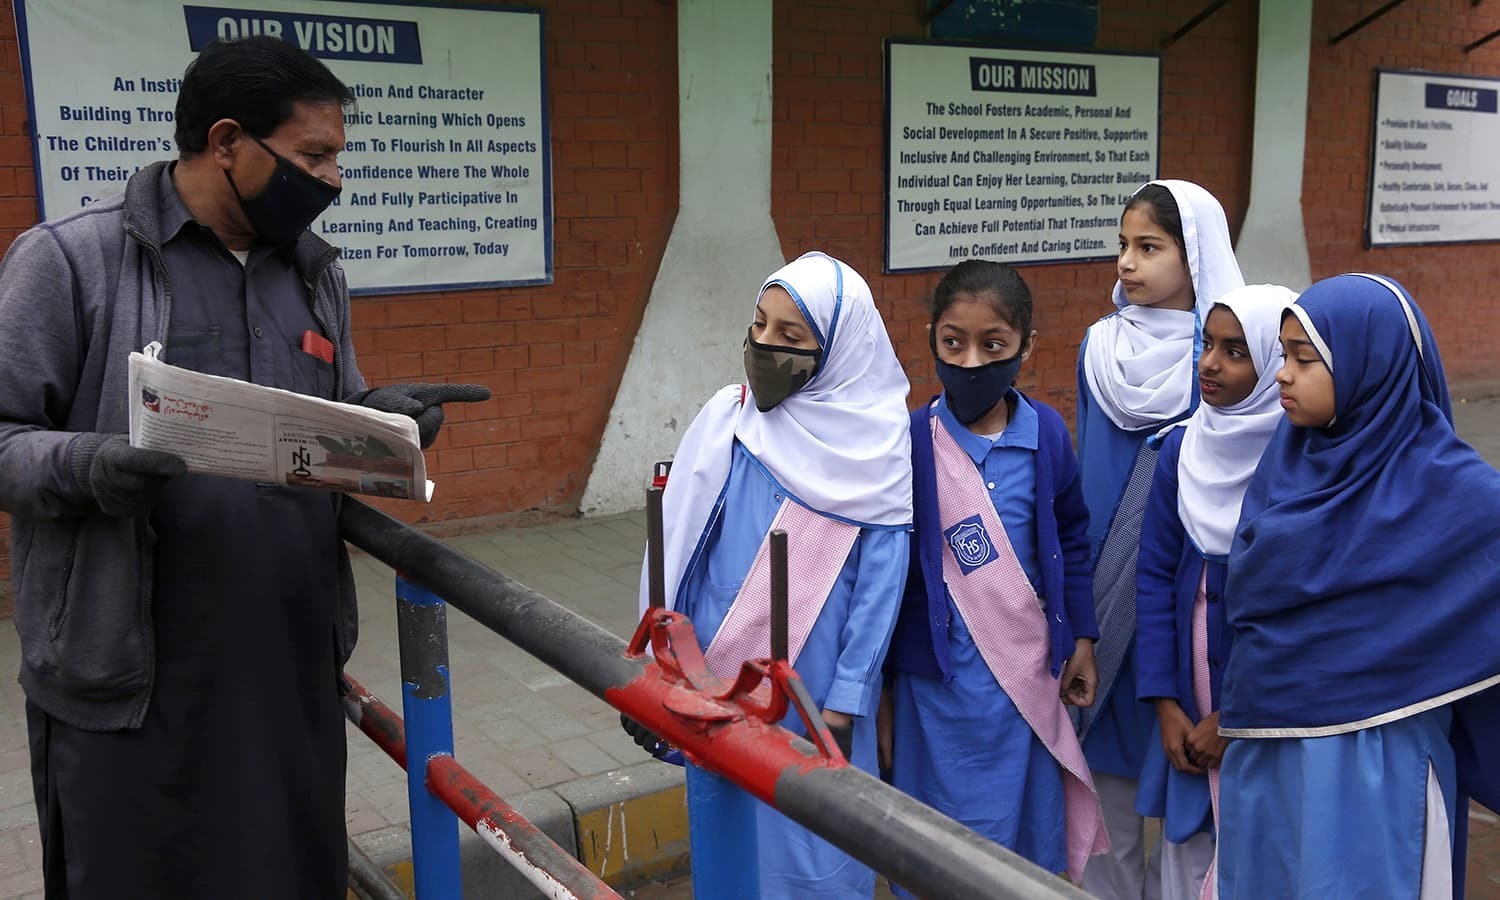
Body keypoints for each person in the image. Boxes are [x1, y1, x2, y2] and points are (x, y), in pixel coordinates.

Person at [0, 37, 488, 898]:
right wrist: (88, 465)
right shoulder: (68, 261)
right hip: (131, 671)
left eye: (337, 156)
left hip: (286, 660)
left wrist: (381, 426)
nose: (333, 178)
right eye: (313, 156)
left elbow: (316, 433)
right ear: (227, 142)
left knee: (287, 872)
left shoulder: (312, 274)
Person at [1216, 274, 1500, 899]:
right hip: (1272, 758)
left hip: (1382, 767)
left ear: (1373, 365)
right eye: (1282, 355)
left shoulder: (1462, 496)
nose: (1282, 375)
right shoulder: (1286, 467)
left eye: (1304, 358)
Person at [638, 251, 912, 897]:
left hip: (813, 698)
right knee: (729, 836)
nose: (763, 346)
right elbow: (681, 543)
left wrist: (847, 700)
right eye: (758, 325)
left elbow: (879, 590)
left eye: (790, 338)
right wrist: (658, 659)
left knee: (814, 850)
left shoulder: (877, 448)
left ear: (841, 350)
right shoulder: (730, 421)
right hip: (719, 675)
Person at [881, 260, 1107, 886]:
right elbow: (894, 573)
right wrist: (886, 691)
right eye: (953, 342)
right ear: (930, 337)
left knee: (1021, 834)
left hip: (1024, 675)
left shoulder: (1047, 439)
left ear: (1026, 349)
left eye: (994, 344)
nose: (972, 360)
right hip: (938, 684)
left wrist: (1082, 637)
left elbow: (1071, 539)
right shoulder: (911, 443)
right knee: (937, 834)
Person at [1075, 180, 1244, 900]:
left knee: (1192, 810)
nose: (1127, 263)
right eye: (1122, 246)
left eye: (1149, 247)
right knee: (1102, 807)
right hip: (1105, 610)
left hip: (1186, 619)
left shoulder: (1233, 360)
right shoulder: (1099, 350)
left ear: (1196, 254)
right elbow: (1086, 477)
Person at [1132, 285, 1294, 900]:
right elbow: (1153, 575)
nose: (1209, 363)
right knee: (1185, 847)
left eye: (1235, 351)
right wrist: (1165, 703)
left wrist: (1239, 717)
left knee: (1258, 851)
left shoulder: (1296, 457)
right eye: (1207, 344)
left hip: (1261, 707)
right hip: (1187, 693)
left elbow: (1300, 613)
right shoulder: (1183, 446)